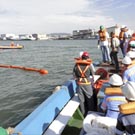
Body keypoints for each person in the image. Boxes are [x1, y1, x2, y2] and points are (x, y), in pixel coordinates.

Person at [73, 51, 96, 116]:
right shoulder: (89, 65)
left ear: (81, 57)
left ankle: (83, 114)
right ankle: (91, 113)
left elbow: (74, 75)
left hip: (79, 84)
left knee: (81, 100)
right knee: (90, 99)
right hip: (87, 84)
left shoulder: (76, 65)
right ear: (87, 58)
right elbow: (93, 74)